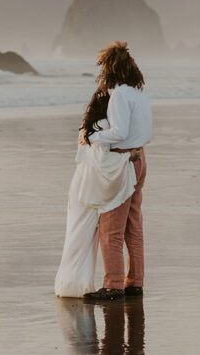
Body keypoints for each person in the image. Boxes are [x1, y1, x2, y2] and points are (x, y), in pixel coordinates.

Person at [82, 41, 152, 302]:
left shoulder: (120, 94)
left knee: (110, 227)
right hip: (140, 158)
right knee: (133, 226)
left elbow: (119, 132)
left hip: (122, 162)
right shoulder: (138, 92)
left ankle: (113, 285)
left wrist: (92, 137)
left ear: (110, 69)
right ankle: (135, 282)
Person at [54, 87, 137, 298]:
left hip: (81, 185)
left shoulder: (88, 128)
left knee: (76, 234)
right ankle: (76, 286)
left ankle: (70, 283)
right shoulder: (103, 126)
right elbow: (103, 162)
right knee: (84, 237)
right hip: (88, 188)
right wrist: (128, 158)